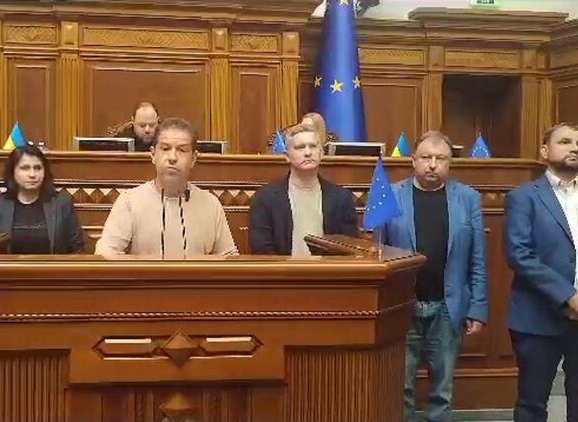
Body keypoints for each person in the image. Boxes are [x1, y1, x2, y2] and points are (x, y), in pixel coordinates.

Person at [375, 130, 488, 422]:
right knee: (399, 384)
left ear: (450, 163)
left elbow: (477, 259)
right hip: (402, 306)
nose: (433, 165)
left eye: (441, 158)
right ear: (413, 161)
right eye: (426, 157)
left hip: (448, 306)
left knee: (442, 388)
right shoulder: (391, 196)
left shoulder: (468, 199)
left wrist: (478, 308)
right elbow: (376, 254)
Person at [505, 122, 578, 422]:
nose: (575, 148)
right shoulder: (524, 197)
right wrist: (568, 296)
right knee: (532, 405)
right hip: (537, 317)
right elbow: (519, 254)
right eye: (565, 142)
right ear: (545, 151)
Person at [96, 117, 238, 257]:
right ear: (153, 154)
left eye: (181, 150)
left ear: (193, 158)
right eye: (165, 148)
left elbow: (230, 258)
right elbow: (105, 254)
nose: (172, 157)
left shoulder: (211, 204)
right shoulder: (129, 201)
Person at [248, 123, 358, 255]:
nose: (308, 153)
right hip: (281, 268)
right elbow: (261, 249)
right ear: (287, 156)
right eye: (300, 147)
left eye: (313, 146)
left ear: (322, 153)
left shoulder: (341, 198)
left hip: (328, 268)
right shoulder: (265, 198)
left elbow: (348, 248)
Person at [0, 144, 85, 254]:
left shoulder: (61, 203)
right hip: (6, 265)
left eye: (38, 168)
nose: (32, 174)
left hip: (52, 265)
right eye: (25, 168)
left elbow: (77, 247)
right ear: (12, 171)